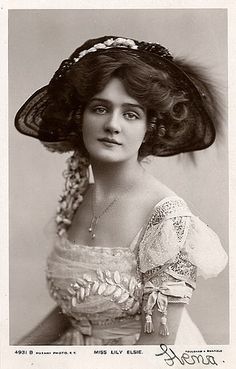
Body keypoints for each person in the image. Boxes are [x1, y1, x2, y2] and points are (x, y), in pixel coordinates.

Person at [14, 35, 228, 345]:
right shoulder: (81, 196)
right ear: (79, 117)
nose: (113, 124)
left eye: (131, 114)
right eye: (100, 109)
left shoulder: (167, 218)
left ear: (149, 128)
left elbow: (157, 346)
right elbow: (75, 306)